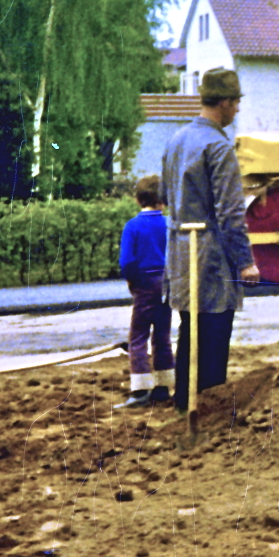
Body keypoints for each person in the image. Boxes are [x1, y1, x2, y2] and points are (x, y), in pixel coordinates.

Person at [162, 67, 260, 411]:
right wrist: (245, 261)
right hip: (211, 256)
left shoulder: (177, 140)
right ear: (225, 102)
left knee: (190, 329)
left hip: (178, 251)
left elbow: (165, 196)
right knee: (215, 331)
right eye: (235, 103)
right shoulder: (219, 148)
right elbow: (232, 214)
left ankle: (184, 401)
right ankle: (209, 407)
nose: (237, 111)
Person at [114, 175, 174, 409]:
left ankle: (140, 389)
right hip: (166, 281)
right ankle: (163, 385)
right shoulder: (169, 224)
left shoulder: (133, 226)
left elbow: (127, 261)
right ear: (164, 200)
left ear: (138, 199)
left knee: (138, 336)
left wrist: (133, 282)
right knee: (163, 335)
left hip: (144, 281)